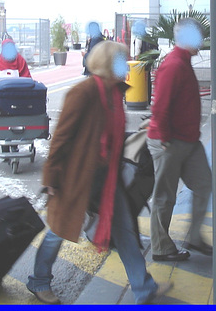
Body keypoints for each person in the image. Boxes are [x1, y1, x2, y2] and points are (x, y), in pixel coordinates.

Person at [27, 40, 172, 304]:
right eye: (120, 61)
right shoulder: (82, 93)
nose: (126, 66)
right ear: (107, 65)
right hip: (76, 177)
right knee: (58, 231)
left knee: (125, 231)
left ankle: (143, 288)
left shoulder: (115, 93)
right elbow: (60, 138)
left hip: (106, 179)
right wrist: (51, 179)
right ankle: (39, 280)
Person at [146, 18, 213, 261]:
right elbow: (160, 105)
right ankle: (161, 248)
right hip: (170, 141)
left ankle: (194, 237)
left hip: (187, 141)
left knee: (204, 184)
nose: (202, 41)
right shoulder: (173, 65)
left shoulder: (182, 63)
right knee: (165, 196)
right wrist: (164, 138)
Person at [0, 36, 32, 154]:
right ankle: (7, 144)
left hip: (14, 100)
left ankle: (12, 144)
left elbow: (27, 79)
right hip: (4, 100)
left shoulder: (20, 61)